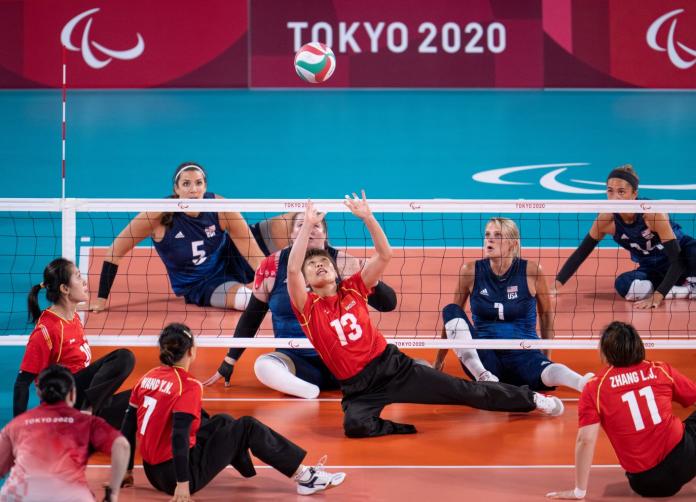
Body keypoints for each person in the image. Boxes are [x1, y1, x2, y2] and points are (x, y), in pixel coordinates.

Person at [288, 193, 565, 439]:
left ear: (336, 272)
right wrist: (308, 228)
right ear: (307, 280)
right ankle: (397, 428)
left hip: (393, 368)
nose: (319, 265)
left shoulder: (355, 288)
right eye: (311, 265)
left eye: (323, 261)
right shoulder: (307, 308)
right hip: (357, 388)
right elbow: (291, 271)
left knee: (465, 391)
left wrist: (368, 218)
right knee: (355, 427)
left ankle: (531, 398)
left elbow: (385, 254)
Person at [121, 322, 346, 500]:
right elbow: (179, 436)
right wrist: (182, 485)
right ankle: (305, 477)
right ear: (192, 351)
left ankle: (245, 464)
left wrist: (126, 470)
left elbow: (127, 427)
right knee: (246, 426)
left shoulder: (147, 377)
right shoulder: (188, 385)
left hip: (152, 472)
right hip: (176, 476)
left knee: (222, 421)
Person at [202, 211, 397, 399]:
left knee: (387, 354)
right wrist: (230, 359)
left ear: (326, 235)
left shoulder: (344, 263)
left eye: (315, 225)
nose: (309, 229)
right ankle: (311, 390)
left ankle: (383, 378)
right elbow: (253, 315)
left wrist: (370, 279)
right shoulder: (272, 266)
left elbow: (388, 303)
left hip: (346, 357)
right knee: (264, 365)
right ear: (292, 234)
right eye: (302, 225)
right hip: (298, 360)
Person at [90, 162, 291, 312]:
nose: (193, 190)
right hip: (201, 285)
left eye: (198, 183)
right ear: (176, 190)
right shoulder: (156, 216)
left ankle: (311, 276)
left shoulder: (221, 207)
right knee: (248, 301)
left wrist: (273, 283)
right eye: (186, 184)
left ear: (205, 187)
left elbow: (253, 255)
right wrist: (101, 299)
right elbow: (115, 251)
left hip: (229, 258)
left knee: (293, 221)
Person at [434, 217, 593, 392]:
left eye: (498, 235)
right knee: (451, 310)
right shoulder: (470, 271)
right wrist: (439, 360)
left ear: (512, 243)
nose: (490, 239)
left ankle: (583, 383)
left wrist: (545, 357)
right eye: (487, 234)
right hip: (485, 356)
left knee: (549, 371)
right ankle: (484, 377)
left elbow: (546, 316)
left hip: (523, 353)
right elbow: (453, 322)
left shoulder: (531, 271)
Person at [547, 321, 696, 499]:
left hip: (645, 483)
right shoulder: (660, 370)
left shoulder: (595, 388)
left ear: (605, 351)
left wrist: (579, 491)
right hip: (685, 460)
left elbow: (585, 440)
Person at [14, 258, 134, 429]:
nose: (84, 281)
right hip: (64, 400)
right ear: (64, 289)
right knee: (124, 357)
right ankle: (84, 415)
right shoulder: (47, 330)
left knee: (144, 398)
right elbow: (21, 383)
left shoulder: (73, 317)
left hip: (80, 396)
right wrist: (18, 429)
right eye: (78, 277)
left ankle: (84, 422)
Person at [555, 164, 696, 309]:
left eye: (621, 192)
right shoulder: (606, 220)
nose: (615, 197)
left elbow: (677, 262)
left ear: (634, 194)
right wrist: (556, 285)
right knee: (623, 285)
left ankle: (675, 287)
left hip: (683, 260)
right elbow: (581, 253)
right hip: (652, 269)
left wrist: (657, 296)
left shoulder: (653, 215)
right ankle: (684, 289)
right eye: (610, 191)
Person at [0, 365, 130, 502]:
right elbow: (122, 446)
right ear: (73, 393)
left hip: (19, 496)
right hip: (72, 496)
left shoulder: (17, 424)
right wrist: (112, 493)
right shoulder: (86, 422)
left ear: (38, 392)